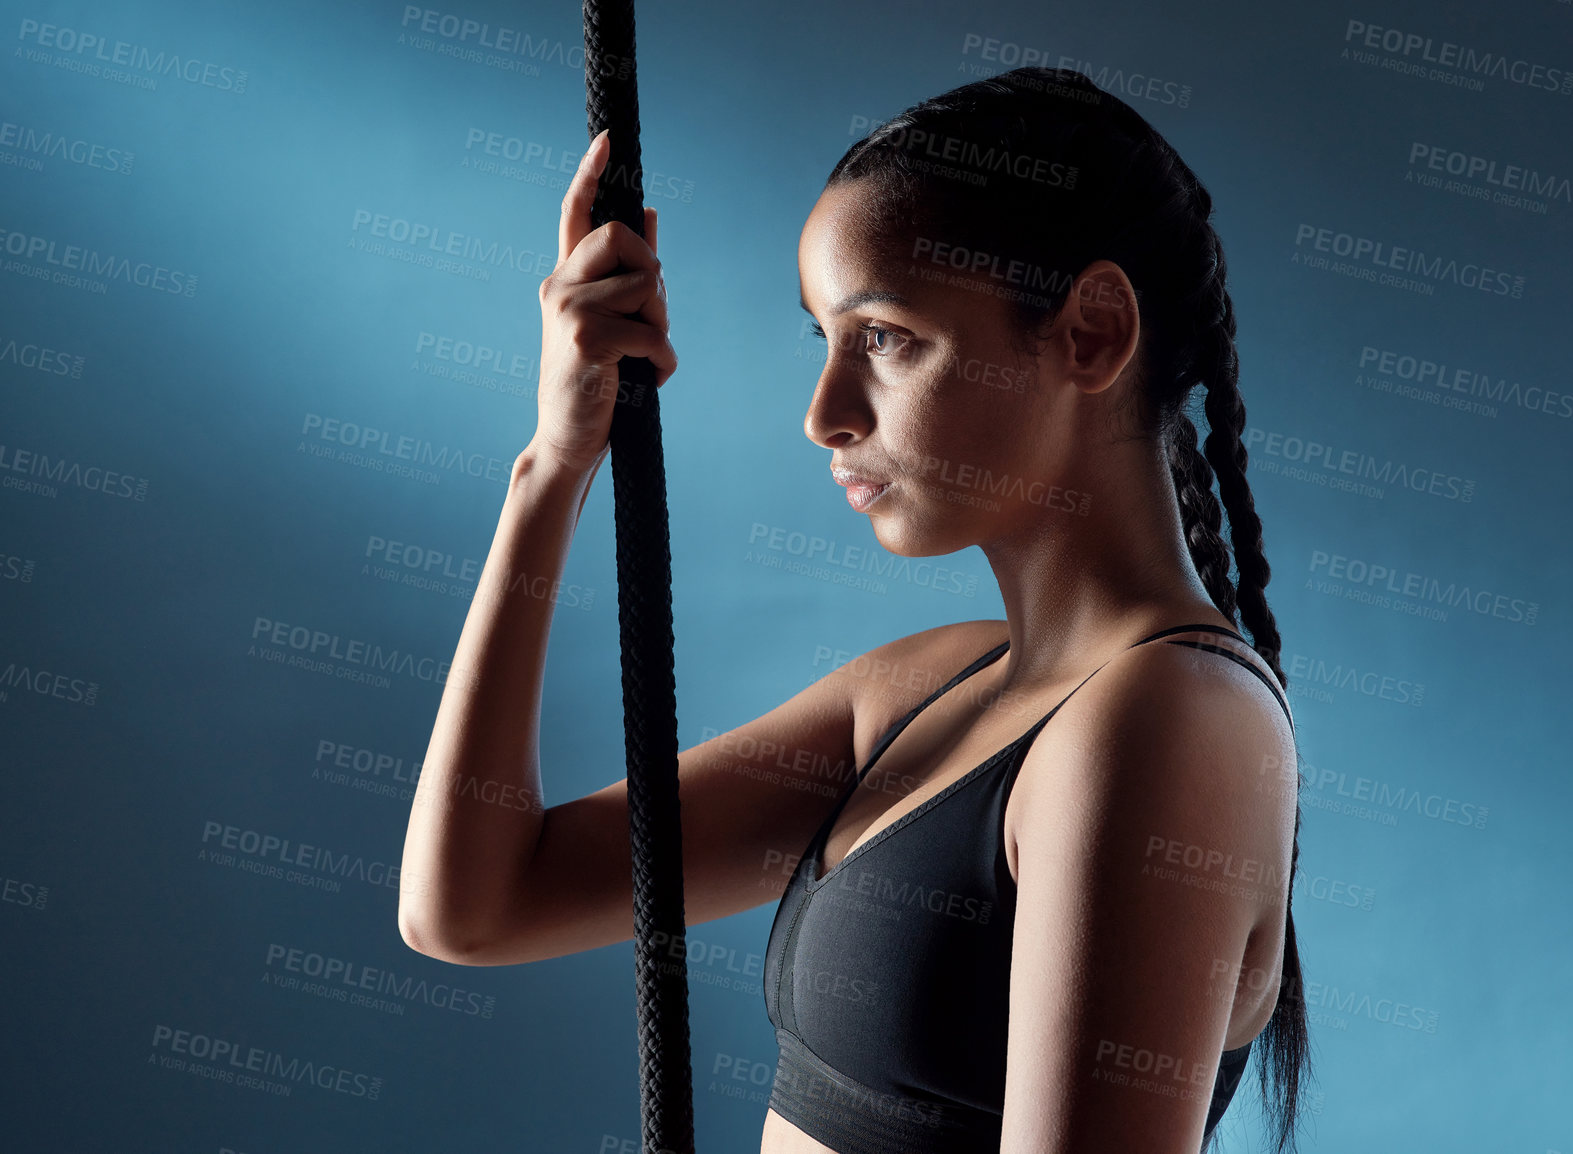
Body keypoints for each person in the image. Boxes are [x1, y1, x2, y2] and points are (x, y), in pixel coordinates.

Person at [399, 64, 1309, 1154]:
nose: (824, 413)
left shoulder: (1167, 717)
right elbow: (475, 902)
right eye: (822, 340)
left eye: (884, 337)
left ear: (1090, 332)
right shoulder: (924, 689)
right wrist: (553, 463)